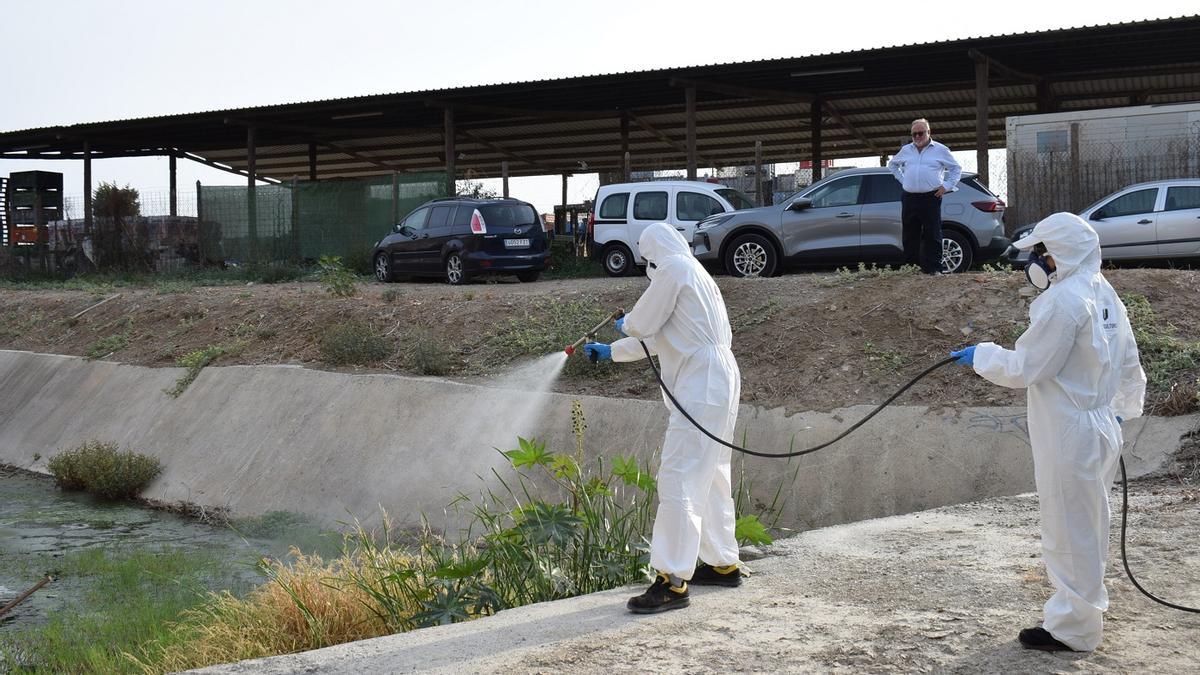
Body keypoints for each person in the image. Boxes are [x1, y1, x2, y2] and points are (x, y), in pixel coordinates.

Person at [950, 212, 1146, 651]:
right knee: (1088, 523)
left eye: (1042, 253)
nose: (1037, 262)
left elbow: (1028, 366)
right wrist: (1120, 410)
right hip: (1100, 423)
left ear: (1061, 254)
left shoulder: (1064, 301)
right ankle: (1081, 615)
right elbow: (1129, 360)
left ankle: (1073, 630)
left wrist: (982, 355)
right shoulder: (1104, 292)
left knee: (1068, 528)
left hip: (1070, 430)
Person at [582, 221, 743, 614]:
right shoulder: (696, 274)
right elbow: (661, 338)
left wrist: (626, 324)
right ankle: (723, 564)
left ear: (653, 249)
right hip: (720, 376)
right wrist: (613, 350)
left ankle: (672, 580)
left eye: (646, 256)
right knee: (712, 472)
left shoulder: (673, 268)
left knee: (679, 476)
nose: (647, 265)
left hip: (702, 381)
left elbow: (642, 324)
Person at [887, 118, 962, 275]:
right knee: (909, 235)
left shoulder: (941, 150)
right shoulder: (906, 150)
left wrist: (947, 186)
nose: (917, 137)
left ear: (929, 132)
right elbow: (892, 165)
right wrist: (903, 180)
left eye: (920, 133)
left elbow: (956, 169)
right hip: (909, 197)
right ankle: (911, 269)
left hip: (930, 197)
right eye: (914, 134)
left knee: (932, 234)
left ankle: (934, 269)